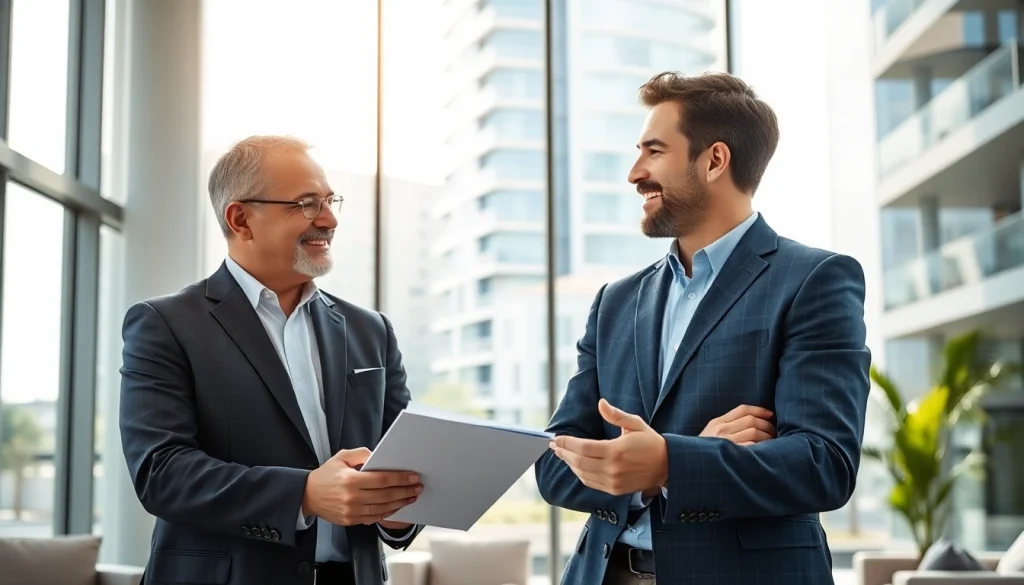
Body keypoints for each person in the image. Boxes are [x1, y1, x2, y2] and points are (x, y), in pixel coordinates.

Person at [536, 71, 871, 585]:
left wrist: (670, 461)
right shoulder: (615, 301)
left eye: (654, 152)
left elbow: (823, 463)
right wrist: (659, 468)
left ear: (714, 160)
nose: (634, 173)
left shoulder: (814, 280)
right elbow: (554, 461)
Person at [120, 136, 423, 585]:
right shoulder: (165, 323)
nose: (329, 218)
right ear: (241, 219)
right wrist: (303, 494)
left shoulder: (370, 329)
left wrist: (398, 511)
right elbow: (162, 472)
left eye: (328, 200)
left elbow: (403, 455)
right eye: (306, 203)